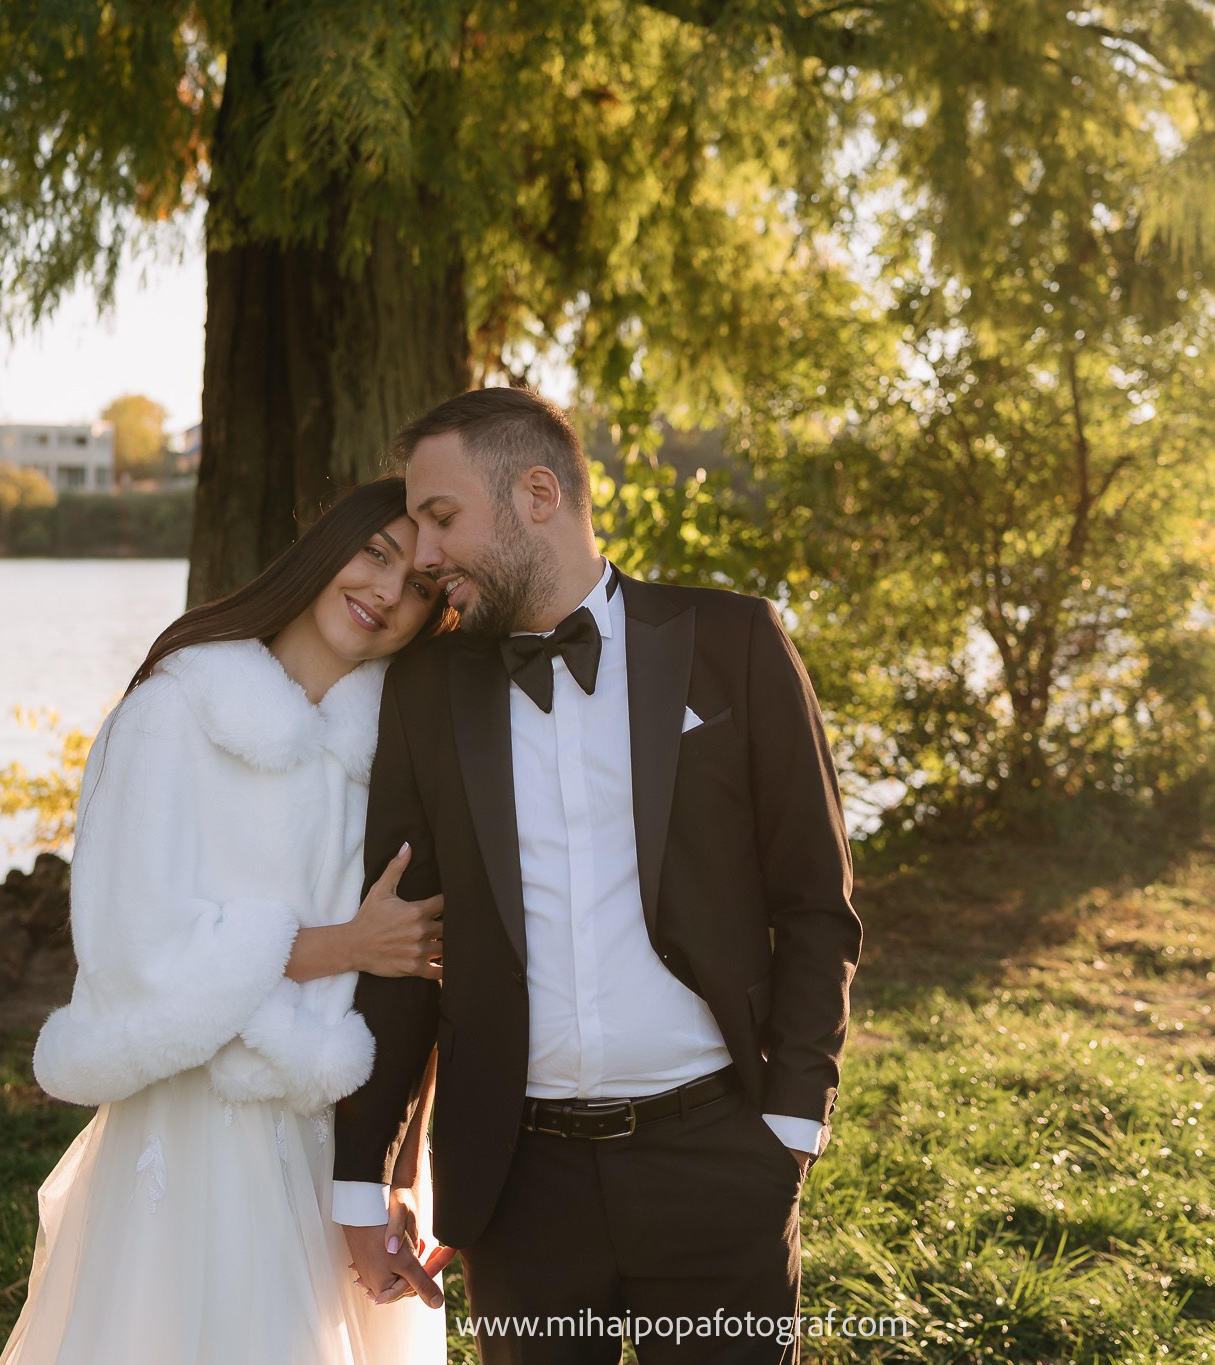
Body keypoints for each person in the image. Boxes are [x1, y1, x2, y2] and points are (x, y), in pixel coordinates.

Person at [331, 389, 862, 1363]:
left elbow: (815, 903)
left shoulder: (734, 642)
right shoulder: (425, 689)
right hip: (516, 1187)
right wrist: (363, 1179)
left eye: (441, 518)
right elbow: (406, 945)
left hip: (717, 1159)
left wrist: (791, 1126)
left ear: (538, 495)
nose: (425, 556)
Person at [1, 477, 457, 1365]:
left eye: (419, 586)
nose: (385, 592)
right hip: (201, 1124)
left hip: (339, 1130)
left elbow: (419, 983)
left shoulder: (391, 752)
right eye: (374, 553)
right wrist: (344, 946)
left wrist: (396, 1165)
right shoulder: (175, 711)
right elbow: (133, 946)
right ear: (326, 547)